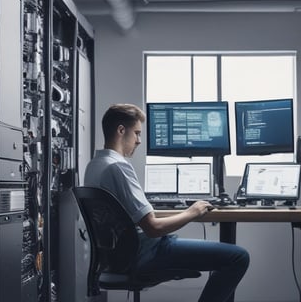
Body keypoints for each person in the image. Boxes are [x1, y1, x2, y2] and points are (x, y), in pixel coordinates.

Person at [84, 103, 249, 302]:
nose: (138, 141)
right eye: (136, 133)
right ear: (121, 130)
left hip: (116, 257)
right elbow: (153, 227)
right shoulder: (118, 167)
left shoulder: (94, 165)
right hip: (146, 252)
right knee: (238, 257)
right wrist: (193, 211)